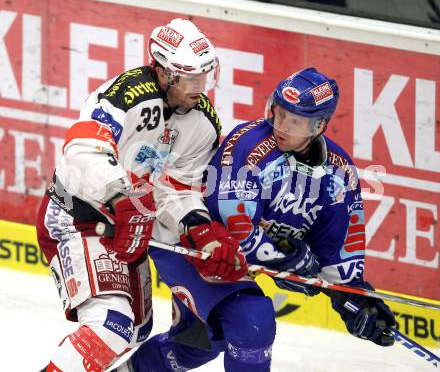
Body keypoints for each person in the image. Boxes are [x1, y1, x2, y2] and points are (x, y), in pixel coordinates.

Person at [111, 67, 396, 372]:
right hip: (191, 242)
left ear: (319, 126)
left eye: (295, 120)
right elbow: (236, 233)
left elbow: (337, 250)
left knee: (198, 346)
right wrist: (291, 258)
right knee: (251, 322)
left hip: (227, 262)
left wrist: (355, 299)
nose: (281, 125)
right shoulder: (248, 144)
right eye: (279, 112)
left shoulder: (340, 172)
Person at [36, 18, 248, 372]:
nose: (201, 86)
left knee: (134, 329)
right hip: (74, 217)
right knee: (111, 325)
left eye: (204, 76)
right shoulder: (126, 94)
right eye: (190, 78)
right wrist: (122, 198)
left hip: (125, 231)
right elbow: (82, 148)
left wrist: (198, 227)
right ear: (163, 71)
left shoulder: (203, 122)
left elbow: (179, 187)